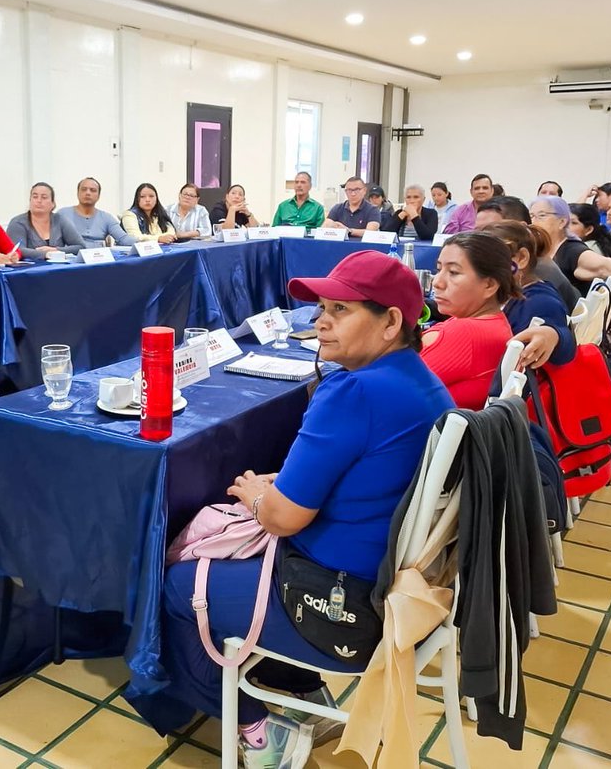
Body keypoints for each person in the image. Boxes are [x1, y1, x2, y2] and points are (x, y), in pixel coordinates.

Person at [152, 252, 453, 768]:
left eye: (341, 308)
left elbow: (284, 518)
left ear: (391, 323)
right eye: (321, 308)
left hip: (339, 608)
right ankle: (303, 695)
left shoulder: (354, 390)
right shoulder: (421, 381)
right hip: (389, 590)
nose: (321, 321)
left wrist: (255, 494)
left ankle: (258, 730)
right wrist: (281, 487)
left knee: (171, 589)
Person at [422, 232, 517, 409]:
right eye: (438, 269)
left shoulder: (465, 332)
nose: (437, 282)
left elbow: (388, 389)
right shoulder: (494, 322)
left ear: (489, 285)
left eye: (453, 272)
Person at [479, 221, 576, 368]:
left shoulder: (539, 302)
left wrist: (553, 334)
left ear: (521, 258)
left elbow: (564, 345)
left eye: (489, 262)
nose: (479, 270)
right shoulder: (512, 294)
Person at [530, 196, 611, 303]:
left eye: (542, 216)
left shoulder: (572, 250)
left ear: (562, 222)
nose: (533, 222)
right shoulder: (541, 249)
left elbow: (603, 266)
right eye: (531, 216)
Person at [7, 182, 86, 260]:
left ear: (52, 203)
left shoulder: (60, 220)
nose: (39, 201)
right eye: (35, 197)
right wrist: (46, 254)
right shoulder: (18, 222)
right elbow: (17, 250)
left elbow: (80, 247)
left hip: (58, 268)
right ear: (30, 200)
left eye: (44, 197)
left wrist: (56, 250)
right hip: (28, 270)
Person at [58, 176, 136, 248]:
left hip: (98, 259)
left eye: (93, 190)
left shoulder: (106, 217)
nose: (88, 193)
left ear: (98, 196)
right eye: (84, 189)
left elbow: (123, 239)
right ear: (78, 193)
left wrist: (144, 244)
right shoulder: (62, 214)